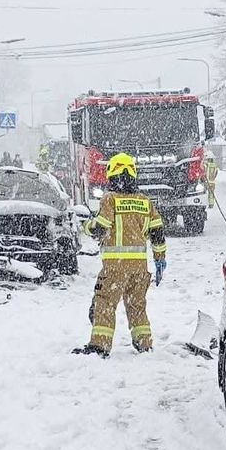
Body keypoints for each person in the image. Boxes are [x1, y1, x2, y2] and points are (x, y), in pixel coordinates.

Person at [73, 153, 167, 357]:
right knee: (137, 306)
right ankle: (145, 344)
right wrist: (160, 260)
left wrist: (86, 226)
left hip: (116, 268)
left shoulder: (110, 199)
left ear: (112, 175)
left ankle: (100, 346)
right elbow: (158, 233)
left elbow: (100, 228)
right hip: (140, 269)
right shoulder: (145, 202)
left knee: (104, 303)